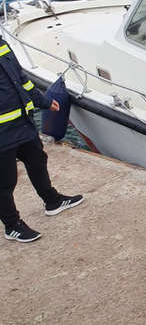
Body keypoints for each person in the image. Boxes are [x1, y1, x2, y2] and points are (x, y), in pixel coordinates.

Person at [0, 37, 83, 243]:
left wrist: (43, 101)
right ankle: (12, 225)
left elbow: (21, 78)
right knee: (5, 182)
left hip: (22, 123)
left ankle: (52, 201)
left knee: (37, 161)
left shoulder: (1, 43)